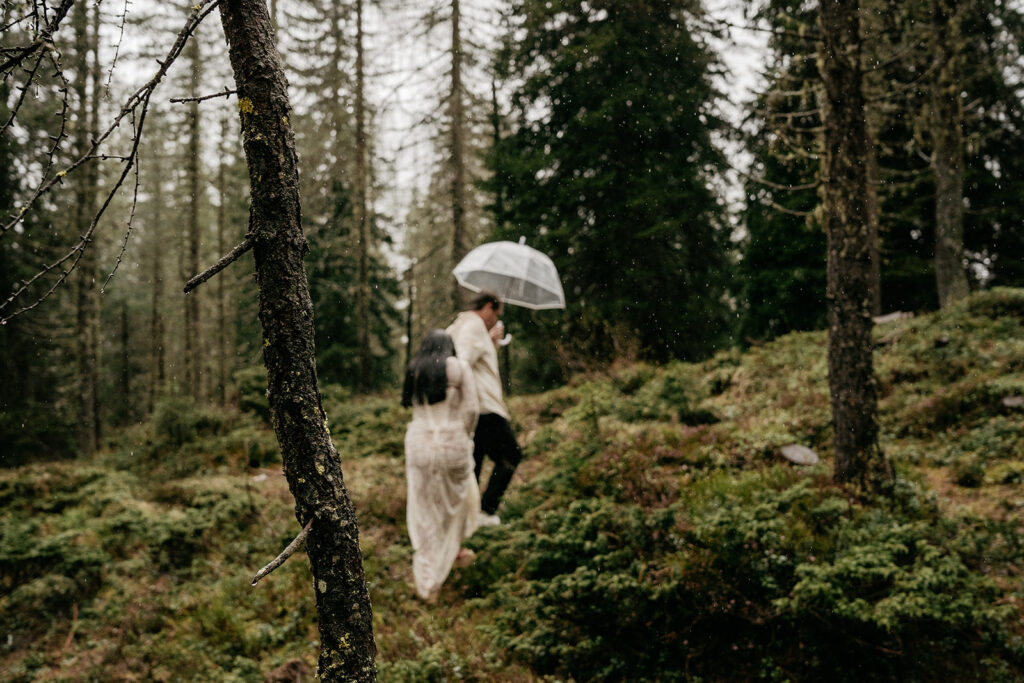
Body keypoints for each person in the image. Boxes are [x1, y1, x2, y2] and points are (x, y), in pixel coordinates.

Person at [402, 329, 481, 603]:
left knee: (423, 511)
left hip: (419, 444)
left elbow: (409, 405)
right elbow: (471, 409)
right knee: (455, 503)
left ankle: (427, 583)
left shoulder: (415, 369)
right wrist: (464, 435)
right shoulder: (459, 368)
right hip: (452, 443)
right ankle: (453, 552)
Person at [446, 291, 522, 525]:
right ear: (489, 307)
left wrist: (490, 343)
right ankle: (485, 511)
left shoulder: (461, 325)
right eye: (496, 314)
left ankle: (466, 517)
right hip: (484, 406)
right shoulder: (474, 324)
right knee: (510, 454)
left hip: (472, 407)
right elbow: (462, 360)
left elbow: (469, 358)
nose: (495, 320)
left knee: (474, 462)